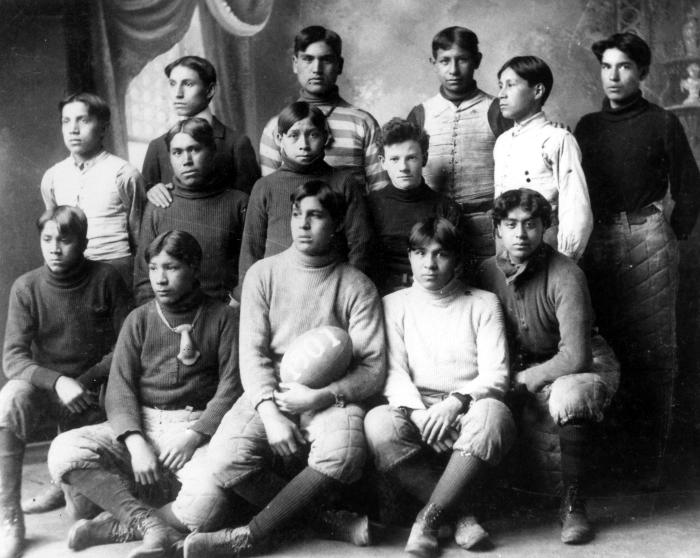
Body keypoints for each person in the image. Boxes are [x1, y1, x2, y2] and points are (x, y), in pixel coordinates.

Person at [183, 180, 386, 557]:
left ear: (337, 224)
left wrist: (323, 395)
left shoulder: (357, 285)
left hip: (329, 395)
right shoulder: (263, 273)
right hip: (271, 392)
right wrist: (271, 413)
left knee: (343, 453)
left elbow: (373, 368)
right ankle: (324, 520)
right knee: (226, 459)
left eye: (316, 216)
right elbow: (253, 354)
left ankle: (246, 537)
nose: (303, 225)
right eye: (297, 215)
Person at [47, 230, 242, 557]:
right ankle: (148, 525)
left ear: (194, 268)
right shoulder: (140, 319)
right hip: (143, 421)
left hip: (194, 427)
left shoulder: (223, 318)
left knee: (209, 502)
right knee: (63, 450)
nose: (160, 279)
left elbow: (231, 386)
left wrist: (194, 436)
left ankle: (114, 525)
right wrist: (135, 442)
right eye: (153, 268)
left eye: (171, 268)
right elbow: (120, 387)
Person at [574, 32, 700, 484]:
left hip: (646, 238)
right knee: (602, 346)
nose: (613, 76)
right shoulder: (586, 127)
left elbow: (690, 186)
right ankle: (607, 463)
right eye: (606, 66)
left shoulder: (663, 122)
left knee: (653, 351)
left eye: (624, 66)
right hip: (596, 240)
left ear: (642, 72)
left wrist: (669, 231)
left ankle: (648, 466)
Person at [364, 216, 515, 557]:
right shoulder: (394, 304)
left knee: (494, 415)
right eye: (419, 253)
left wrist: (454, 405)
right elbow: (393, 371)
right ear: (410, 257)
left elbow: (496, 373)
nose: (429, 263)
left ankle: (427, 521)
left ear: (457, 258)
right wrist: (420, 414)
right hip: (416, 409)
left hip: (468, 407)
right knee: (377, 423)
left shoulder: (483, 303)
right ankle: (461, 516)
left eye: (440, 254)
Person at [477, 189, 619, 544]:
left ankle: (574, 506)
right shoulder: (484, 271)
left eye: (530, 224)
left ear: (546, 228)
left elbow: (576, 357)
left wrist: (524, 379)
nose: (521, 234)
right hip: (523, 363)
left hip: (583, 360)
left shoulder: (566, 273)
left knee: (569, 397)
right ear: (497, 229)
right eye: (510, 225)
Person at [0, 206, 130, 558]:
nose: (55, 248)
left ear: (84, 242)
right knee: (11, 397)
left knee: (82, 513)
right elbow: (13, 357)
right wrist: (57, 382)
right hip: (49, 390)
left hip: (94, 391)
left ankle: (63, 485)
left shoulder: (106, 278)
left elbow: (126, 345)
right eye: (47, 239)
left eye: (65, 239)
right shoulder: (26, 287)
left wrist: (83, 382)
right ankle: (9, 512)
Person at [238, 101, 373, 290]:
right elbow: (251, 250)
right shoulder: (265, 187)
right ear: (279, 138)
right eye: (293, 135)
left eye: (313, 135)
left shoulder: (344, 183)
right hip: (277, 289)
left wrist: (348, 290)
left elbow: (360, 245)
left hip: (331, 288)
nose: (304, 145)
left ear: (325, 137)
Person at [407, 26, 510, 268]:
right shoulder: (421, 113)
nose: (453, 70)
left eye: (462, 60)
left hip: (486, 227)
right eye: (445, 61)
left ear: (477, 60)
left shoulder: (497, 110)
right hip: (434, 229)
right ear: (433, 62)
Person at [134, 117, 248, 306]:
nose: (186, 161)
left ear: (212, 152)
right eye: (177, 152)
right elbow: (143, 281)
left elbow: (252, 267)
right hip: (171, 317)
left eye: (194, 149)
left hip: (226, 314)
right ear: (169, 159)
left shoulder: (238, 203)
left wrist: (234, 304)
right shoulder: (158, 205)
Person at [259, 25, 388, 191]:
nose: (316, 69)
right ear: (295, 63)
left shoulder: (363, 122)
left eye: (326, 60)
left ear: (339, 65)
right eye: (307, 59)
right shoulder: (276, 126)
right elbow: (271, 194)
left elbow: (380, 191)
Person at [40, 92, 146, 289]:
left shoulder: (124, 174)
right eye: (66, 121)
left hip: (117, 270)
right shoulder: (52, 177)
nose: (73, 129)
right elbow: (51, 231)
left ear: (103, 127)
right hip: (70, 275)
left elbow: (140, 237)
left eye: (84, 120)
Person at [494, 56, 592, 261]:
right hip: (508, 249)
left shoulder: (557, 139)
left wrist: (567, 258)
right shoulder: (502, 142)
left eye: (510, 85)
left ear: (537, 91)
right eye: (500, 86)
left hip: (547, 248)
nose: (501, 94)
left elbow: (575, 204)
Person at [142, 55, 259, 207]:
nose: (178, 94)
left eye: (188, 84)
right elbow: (144, 204)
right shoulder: (157, 146)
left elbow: (252, 208)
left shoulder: (236, 143)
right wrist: (150, 190)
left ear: (210, 90)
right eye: (172, 84)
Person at [368, 117, 461, 294]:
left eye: (411, 158)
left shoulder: (447, 208)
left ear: (424, 158)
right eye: (394, 159)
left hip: (434, 295)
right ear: (383, 162)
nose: (403, 167)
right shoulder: (369, 205)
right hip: (382, 296)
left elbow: (456, 268)